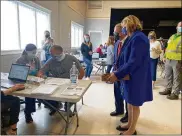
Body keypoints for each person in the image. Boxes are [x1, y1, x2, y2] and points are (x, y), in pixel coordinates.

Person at [108, 15, 153, 135]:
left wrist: (118, 74)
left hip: (135, 76)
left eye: (123, 26)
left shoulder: (139, 38)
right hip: (129, 75)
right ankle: (129, 124)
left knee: (134, 104)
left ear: (130, 25)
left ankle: (132, 129)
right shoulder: (131, 37)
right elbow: (124, 58)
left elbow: (134, 61)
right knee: (129, 101)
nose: (122, 29)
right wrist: (117, 71)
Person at [37, 45, 85, 115]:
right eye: (51, 55)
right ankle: (55, 106)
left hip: (70, 83)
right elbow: (41, 71)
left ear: (60, 53)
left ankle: (67, 106)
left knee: (73, 93)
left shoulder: (71, 59)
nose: (52, 56)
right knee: (40, 96)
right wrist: (40, 75)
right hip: (56, 84)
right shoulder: (51, 60)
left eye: (53, 55)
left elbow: (82, 71)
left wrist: (78, 81)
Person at [16, 43, 41, 123]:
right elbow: (18, 74)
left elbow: (40, 70)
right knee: (30, 94)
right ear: (27, 51)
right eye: (33, 52)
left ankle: (53, 105)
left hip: (36, 80)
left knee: (46, 91)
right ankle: (28, 113)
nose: (34, 54)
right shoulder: (20, 60)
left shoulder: (36, 59)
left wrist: (40, 75)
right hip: (24, 81)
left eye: (35, 52)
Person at [110, 23, 128, 124]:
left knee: (125, 93)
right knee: (117, 92)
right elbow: (115, 58)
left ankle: (128, 114)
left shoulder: (128, 43)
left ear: (122, 32)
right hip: (116, 71)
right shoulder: (117, 43)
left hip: (125, 73)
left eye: (116, 32)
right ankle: (119, 110)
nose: (114, 34)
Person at [159, 21, 182, 100]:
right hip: (168, 59)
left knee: (177, 77)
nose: (180, 27)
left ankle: (175, 93)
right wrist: (165, 56)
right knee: (168, 75)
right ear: (176, 27)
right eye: (179, 26)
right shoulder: (172, 36)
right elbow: (168, 47)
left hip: (178, 60)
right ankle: (168, 89)